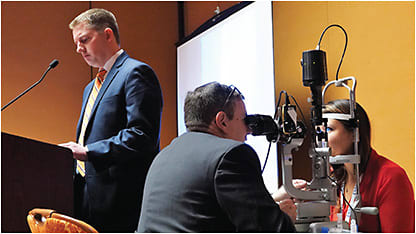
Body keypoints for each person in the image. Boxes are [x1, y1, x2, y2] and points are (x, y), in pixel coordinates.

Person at [137, 82, 296, 232]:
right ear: (222, 121)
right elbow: (269, 230)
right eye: (244, 119)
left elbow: (203, 212)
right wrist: (286, 217)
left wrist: (270, 201)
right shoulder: (231, 154)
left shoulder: (165, 154)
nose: (248, 130)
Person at [59, 8, 163, 232]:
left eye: (84, 40)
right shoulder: (90, 87)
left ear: (107, 34)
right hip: (84, 195)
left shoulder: (135, 73)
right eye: (76, 43)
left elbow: (142, 136)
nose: (78, 49)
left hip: (120, 200)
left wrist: (88, 152)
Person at [323, 99, 414, 232]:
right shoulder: (335, 179)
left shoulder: (391, 178)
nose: (321, 139)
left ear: (355, 133)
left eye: (328, 129)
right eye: (318, 132)